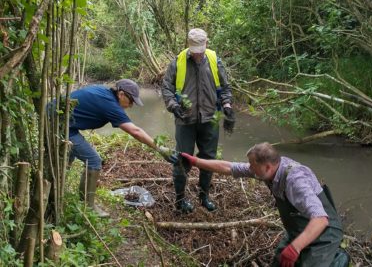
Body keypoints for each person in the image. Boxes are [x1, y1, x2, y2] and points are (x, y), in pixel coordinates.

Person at [180, 142, 346, 267]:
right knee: (280, 262)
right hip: (300, 228)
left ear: (267, 166)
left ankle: (339, 259)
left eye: (253, 165)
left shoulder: (295, 180)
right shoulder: (268, 170)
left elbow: (321, 219)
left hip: (325, 234)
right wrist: (195, 162)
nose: (250, 169)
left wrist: (295, 248)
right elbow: (229, 167)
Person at [66, 79, 177, 217]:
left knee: (68, 155)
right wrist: (160, 149)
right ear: (121, 94)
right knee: (94, 161)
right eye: (131, 101)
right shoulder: (110, 105)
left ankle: (62, 195)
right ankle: (88, 208)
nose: (131, 106)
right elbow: (135, 131)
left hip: (64, 123)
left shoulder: (105, 93)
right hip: (61, 126)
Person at [161, 28, 235, 213]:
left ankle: (204, 197)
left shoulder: (214, 61)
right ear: (188, 45)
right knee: (181, 160)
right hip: (184, 119)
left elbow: (225, 88)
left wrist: (227, 106)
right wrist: (173, 105)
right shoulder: (177, 62)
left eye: (200, 50)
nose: (197, 54)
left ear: (206, 44)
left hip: (210, 119)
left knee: (208, 159)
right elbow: (166, 87)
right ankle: (180, 200)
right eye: (194, 50)